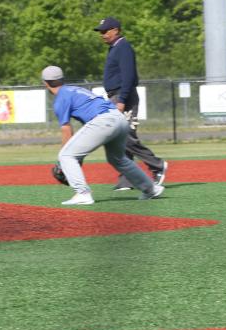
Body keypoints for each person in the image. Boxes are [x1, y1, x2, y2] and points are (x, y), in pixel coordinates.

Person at [42, 65, 165, 205]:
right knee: (118, 159)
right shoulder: (76, 89)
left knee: (66, 155)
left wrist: (63, 159)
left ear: (45, 83)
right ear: (62, 79)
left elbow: (66, 130)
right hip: (119, 119)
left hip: (103, 121)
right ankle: (151, 189)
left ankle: (83, 193)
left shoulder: (61, 98)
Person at [94, 17, 169, 190]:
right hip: (116, 95)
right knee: (120, 138)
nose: (102, 34)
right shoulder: (115, 48)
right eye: (101, 32)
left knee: (127, 138)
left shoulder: (123, 47)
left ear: (116, 30)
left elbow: (128, 76)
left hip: (123, 97)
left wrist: (121, 100)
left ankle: (157, 165)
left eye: (105, 31)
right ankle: (127, 179)